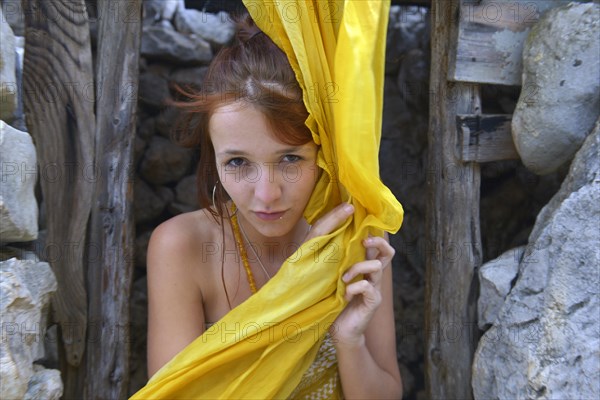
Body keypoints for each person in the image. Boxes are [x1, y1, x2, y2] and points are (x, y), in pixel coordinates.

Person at [142, 11, 402, 400]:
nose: (266, 194)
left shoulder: (355, 238)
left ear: (324, 153)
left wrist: (349, 339)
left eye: (290, 159)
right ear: (212, 157)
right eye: (237, 162)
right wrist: (301, 284)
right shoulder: (182, 247)